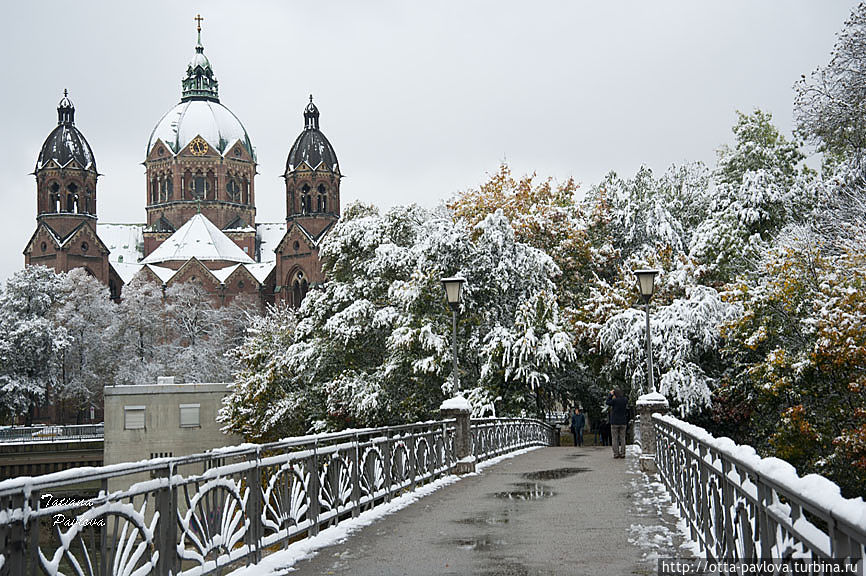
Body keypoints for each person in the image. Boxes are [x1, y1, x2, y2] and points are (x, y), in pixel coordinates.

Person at [606, 388, 628, 458]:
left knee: (614, 438)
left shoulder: (614, 401)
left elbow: (607, 402)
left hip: (615, 422)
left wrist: (610, 394)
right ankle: (623, 453)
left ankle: (616, 453)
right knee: (622, 438)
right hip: (623, 421)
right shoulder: (625, 400)